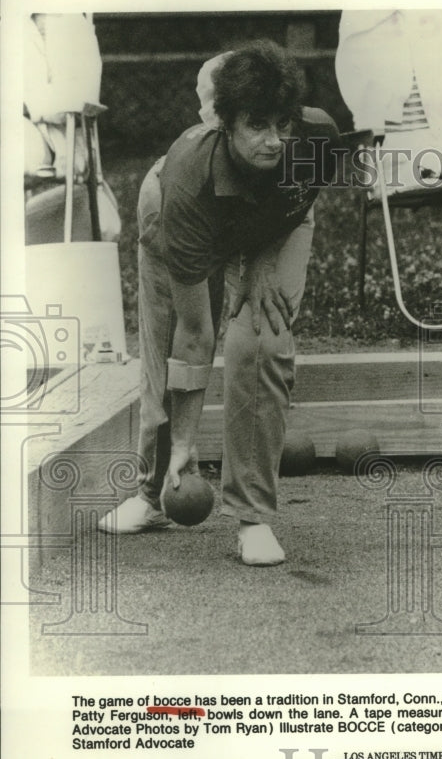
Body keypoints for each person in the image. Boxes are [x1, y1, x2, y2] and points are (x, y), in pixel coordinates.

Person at [98, 41, 345, 566]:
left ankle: (252, 518)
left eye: (283, 124)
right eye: (257, 125)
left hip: (273, 229)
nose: (275, 141)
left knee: (262, 334)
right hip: (182, 221)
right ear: (225, 124)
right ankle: (156, 490)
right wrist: (187, 440)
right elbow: (194, 336)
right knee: (166, 347)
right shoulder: (184, 187)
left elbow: (298, 201)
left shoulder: (318, 134)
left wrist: (259, 262)